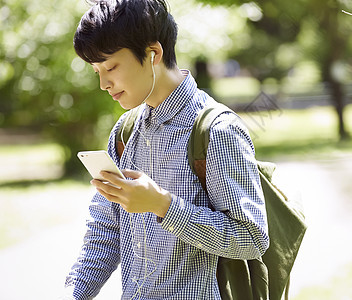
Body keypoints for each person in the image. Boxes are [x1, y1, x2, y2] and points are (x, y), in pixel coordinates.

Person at [63, 0, 269, 299]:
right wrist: (75, 293)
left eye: (110, 67)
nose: (104, 83)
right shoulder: (125, 131)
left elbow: (251, 237)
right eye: (97, 71)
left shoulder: (216, 130)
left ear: (153, 53)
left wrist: (163, 205)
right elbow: (105, 230)